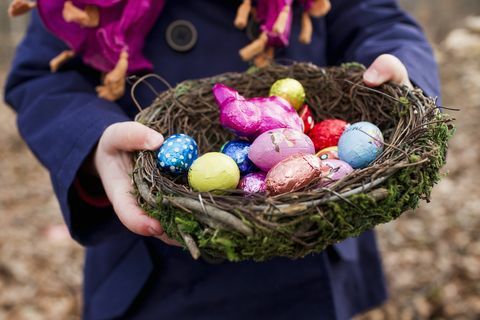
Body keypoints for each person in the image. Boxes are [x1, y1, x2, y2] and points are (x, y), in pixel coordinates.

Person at [4, 0, 440, 319]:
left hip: (315, 244)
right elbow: (42, 77)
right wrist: (94, 138)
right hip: (159, 268)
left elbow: (376, 17)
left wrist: (398, 77)